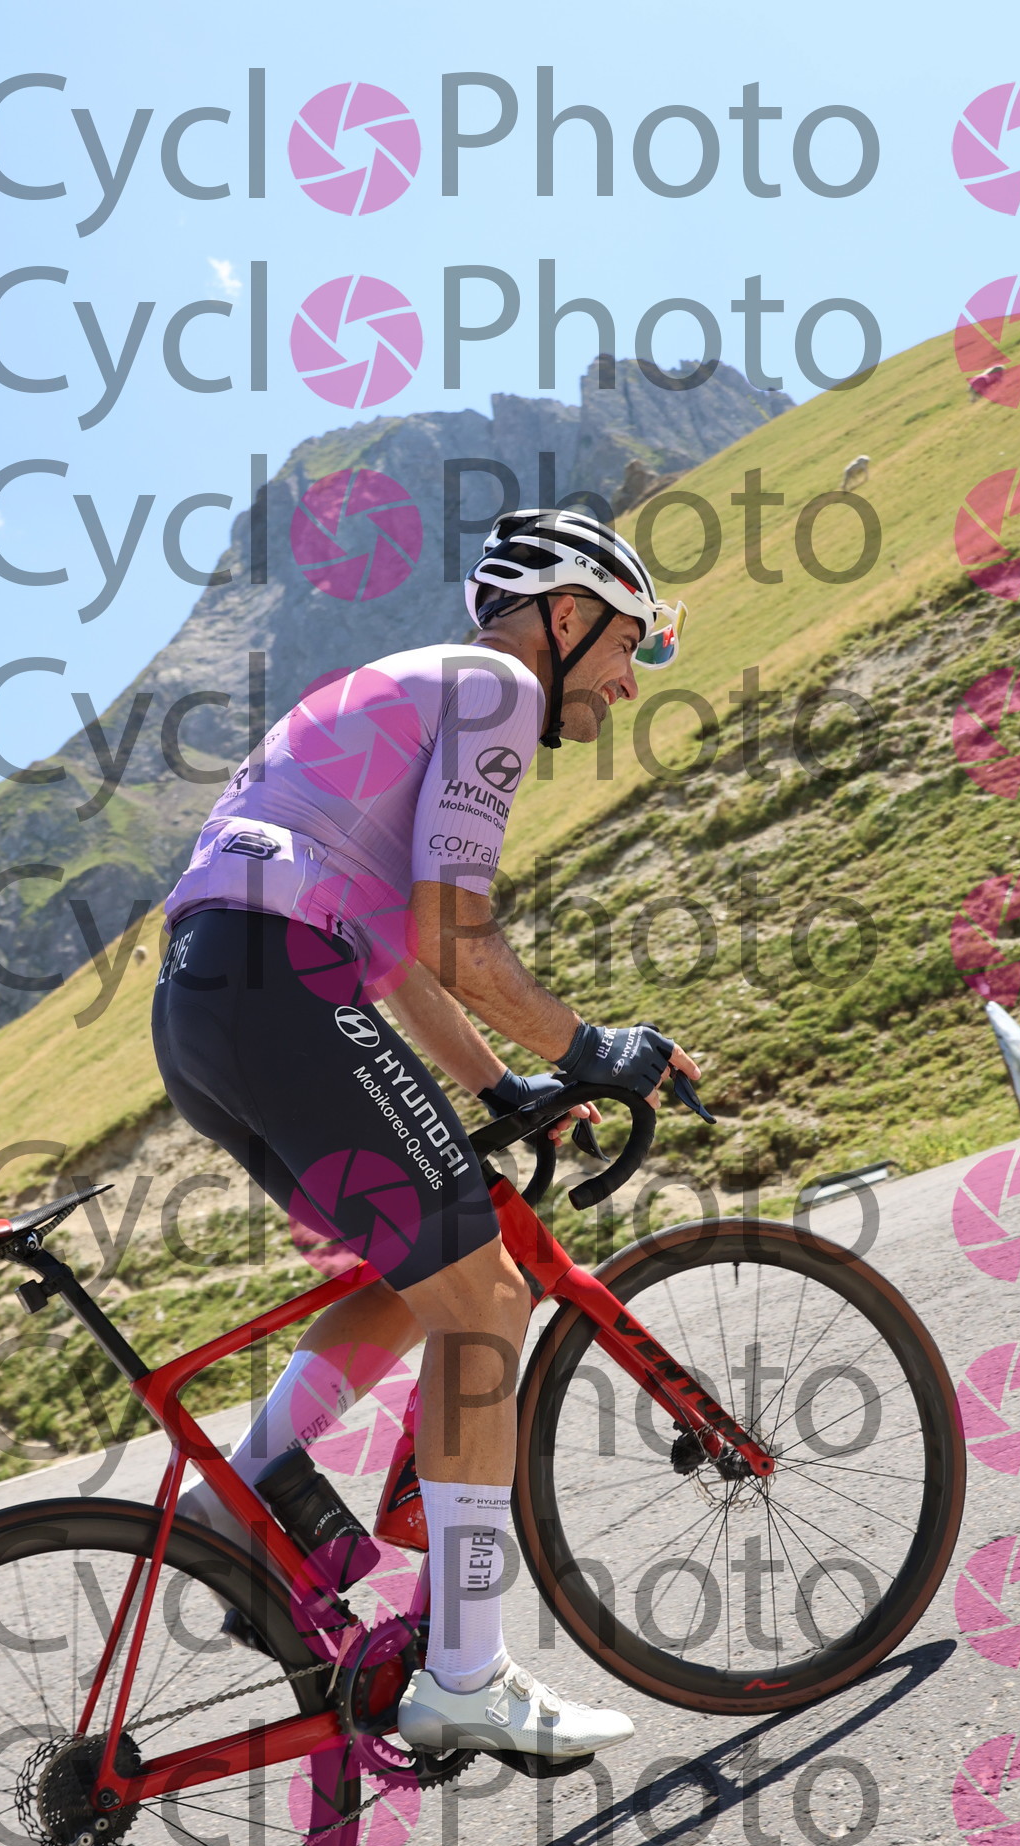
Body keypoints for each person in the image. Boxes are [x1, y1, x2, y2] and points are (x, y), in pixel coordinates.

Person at [152, 508, 699, 1764]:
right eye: (628, 645)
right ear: (565, 617)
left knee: (430, 1270)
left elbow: (400, 950)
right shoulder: (499, 688)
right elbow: (459, 933)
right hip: (281, 985)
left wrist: (500, 1084)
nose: (627, 682)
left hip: (204, 1008)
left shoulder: (410, 687)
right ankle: (465, 1672)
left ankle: (242, 1498)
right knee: (488, 1300)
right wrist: (591, 1047)